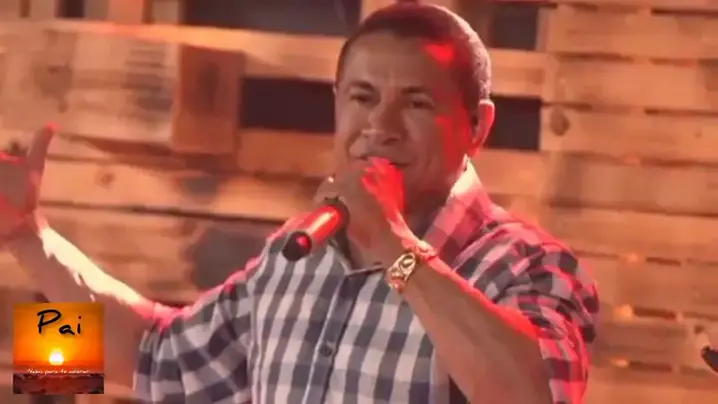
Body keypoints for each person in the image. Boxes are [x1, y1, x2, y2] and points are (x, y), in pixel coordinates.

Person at [0, 4, 598, 403]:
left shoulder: (528, 264)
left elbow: (537, 394)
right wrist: (30, 239)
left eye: (417, 103)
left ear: (478, 127)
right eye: (362, 97)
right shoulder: (296, 252)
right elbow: (159, 359)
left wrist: (395, 245)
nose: (381, 125)